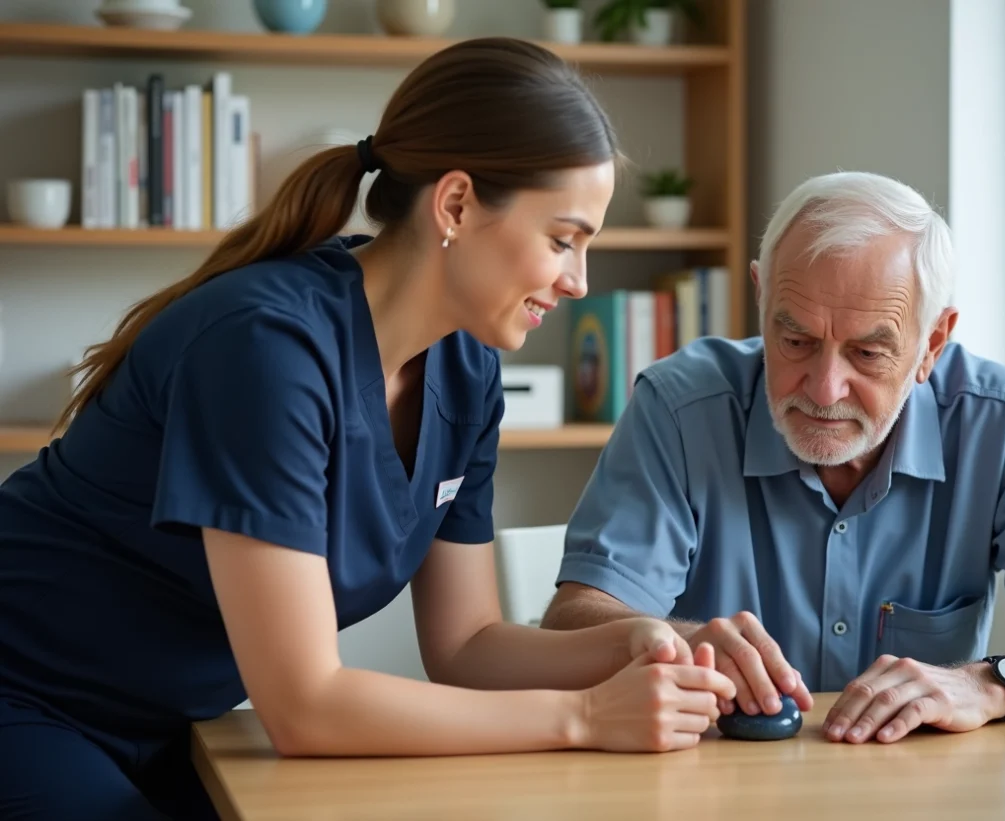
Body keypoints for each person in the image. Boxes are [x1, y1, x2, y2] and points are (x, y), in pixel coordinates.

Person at [0, 37, 736, 821]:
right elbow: (307, 706)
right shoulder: (266, 350)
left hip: (181, 728)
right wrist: (584, 716)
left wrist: (639, 640)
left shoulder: (466, 368)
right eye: (562, 239)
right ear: (454, 204)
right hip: (28, 696)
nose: (577, 280)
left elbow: (467, 644)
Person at [541, 170, 1005, 745]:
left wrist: (988, 685)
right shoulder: (681, 411)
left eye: (868, 354)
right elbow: (574, 622)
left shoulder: (1002, 423)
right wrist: (678, 640)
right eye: (795, 340)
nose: (823, 389)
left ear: (932, 341)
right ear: (761, 299)